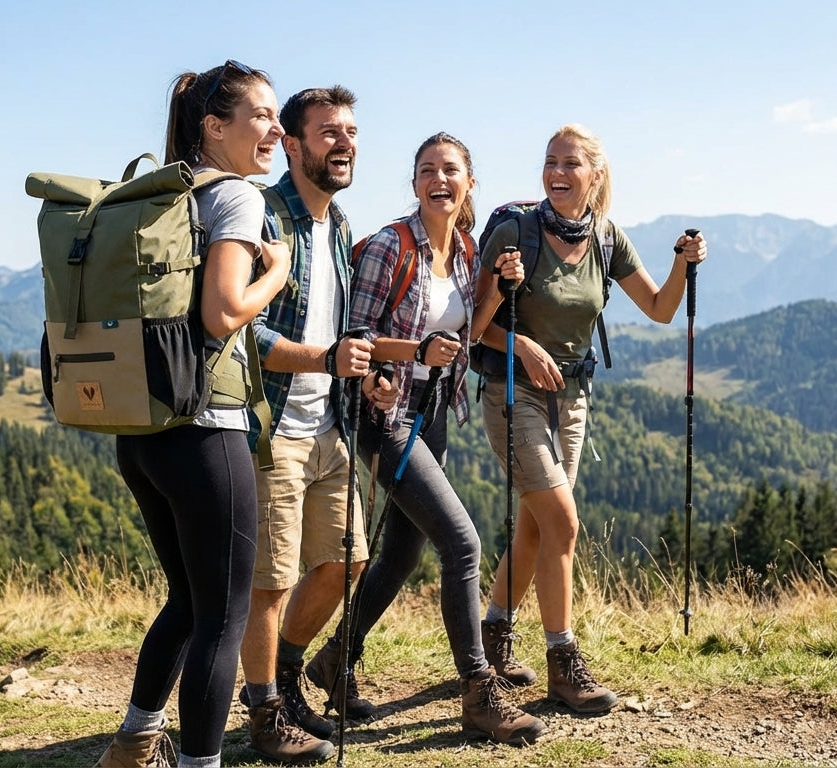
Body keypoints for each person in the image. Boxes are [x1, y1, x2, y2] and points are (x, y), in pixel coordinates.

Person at [304, 132, 547, 746]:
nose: (439, 179)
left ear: (468, 182)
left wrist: (498, 284)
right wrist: (392, 369)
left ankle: (335, 660)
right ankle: (478, 689)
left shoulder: (467, 252)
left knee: (404, 554)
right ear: (414, 184)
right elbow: (357, 333)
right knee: (462, 544)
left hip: (434, 413)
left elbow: (467, 336)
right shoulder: (391, 246)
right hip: (384, 416)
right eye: (427, 170)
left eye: (451, 170)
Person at [474, 124, 707, 713]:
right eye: (550, 161)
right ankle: (563, 660)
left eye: (569, 163)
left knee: (537, 527)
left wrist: (682, 263)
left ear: (594, 175)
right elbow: (472, 326)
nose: (556, 172)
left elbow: (659, 309)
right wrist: (521, 344)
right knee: (564, 523)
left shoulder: (606, 238)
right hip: (513, 394)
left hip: (574, 400)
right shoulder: (514, 232)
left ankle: (491, 641)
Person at [99, 60, 290, 768]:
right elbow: (222, 314)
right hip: (207, 430)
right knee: (223, 616)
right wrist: (277, 273)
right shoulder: (235, 196)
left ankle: (133, 744)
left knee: (187, 599)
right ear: (216, 127)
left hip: (142, 432)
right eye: (262, 116)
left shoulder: (164, 194)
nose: (276, 128)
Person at [238, 85, 397, 764]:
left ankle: (287, 677)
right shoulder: (263, 218)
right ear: (294, 145)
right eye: (328, 132)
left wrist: (364, 370)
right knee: (270, 583)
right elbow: (241, 331)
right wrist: (325, 358)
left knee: (347, 561)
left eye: (352, 132)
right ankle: (264, 713)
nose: (344, 143)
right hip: (271, 430)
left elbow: (340, 330)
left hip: (328, 423)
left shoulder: (342, 227)